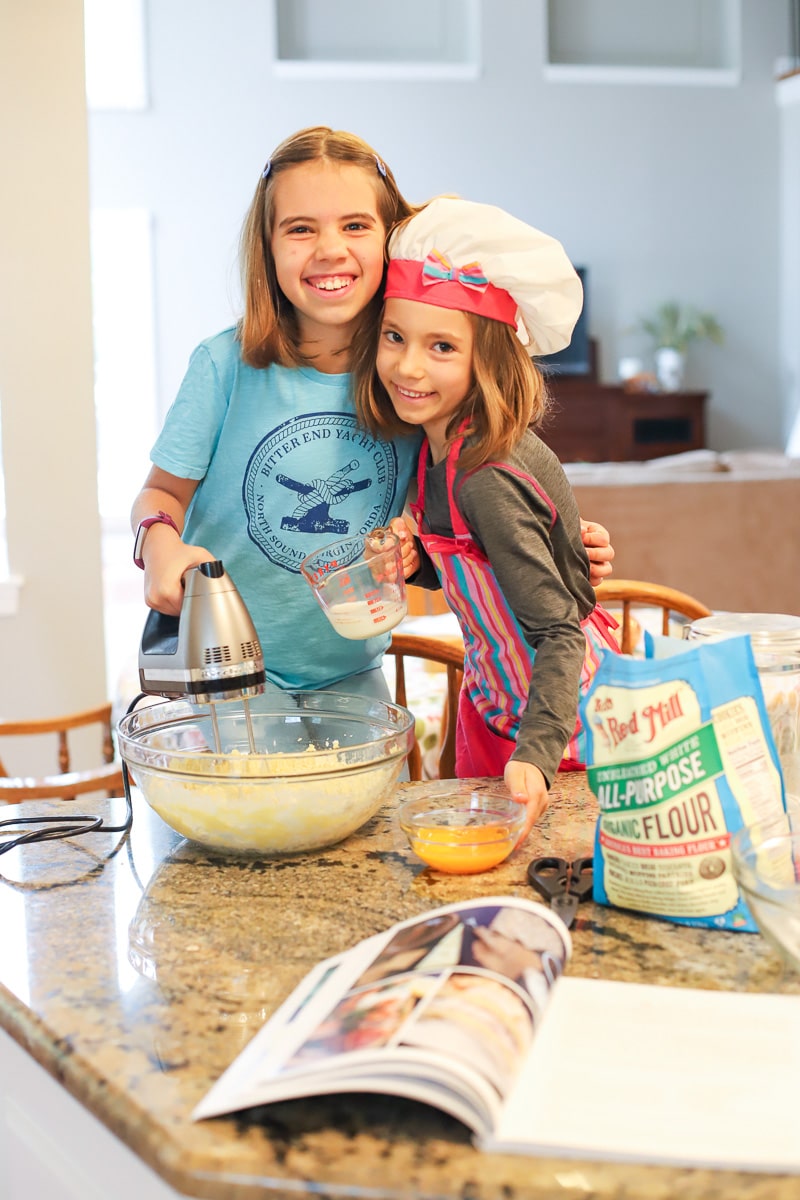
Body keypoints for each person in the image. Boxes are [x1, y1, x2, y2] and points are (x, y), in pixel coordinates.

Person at [131, 127, 613, 702]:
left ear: (391, 238)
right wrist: (158, 541)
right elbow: (160, 495)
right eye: (300, 229)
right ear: (267, 245)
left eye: (355, 226)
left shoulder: (409, 380)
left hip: (353, 673)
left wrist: (553, 540)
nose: (330, 248)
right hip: (225, 672)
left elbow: (465, 505)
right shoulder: (222, 366)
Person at [353, 195, 621, 830]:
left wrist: (536, 755)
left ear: (488, 362)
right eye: (395, 336)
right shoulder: (436, 448)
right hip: (491, 699)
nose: (408, 365)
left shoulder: (486, 478)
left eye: (442, 346)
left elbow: (559, 631)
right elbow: (480, 572)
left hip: (560, 723)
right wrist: (417, 565)